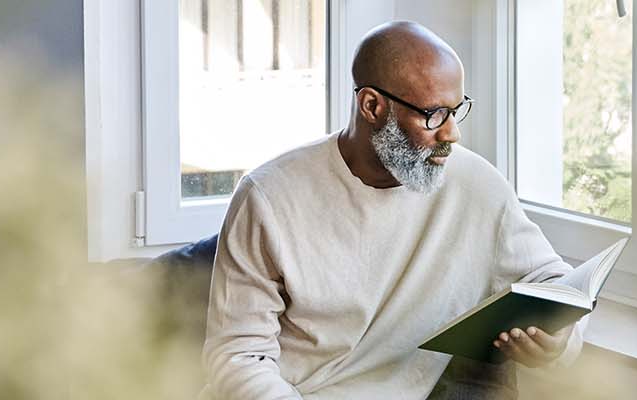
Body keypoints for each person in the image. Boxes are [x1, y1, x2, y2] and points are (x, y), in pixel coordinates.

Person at [202, 20, 585, 399]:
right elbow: (237, 355)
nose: (452, 134)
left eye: (457, 110)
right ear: (372, 105)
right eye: (434, 115)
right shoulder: (269, 196)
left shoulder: (477, 186)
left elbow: (552, 281)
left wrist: (558, 341)